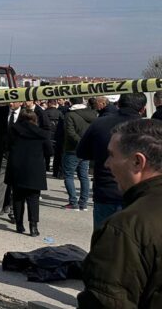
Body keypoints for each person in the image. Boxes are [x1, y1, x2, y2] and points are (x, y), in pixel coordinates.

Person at [77, 119, 162, 308]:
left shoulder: (125, 228)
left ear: (137, 162)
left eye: (111, 155)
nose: (106, 164)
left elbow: (106, 301)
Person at [77, 93, 146, 228]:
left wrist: (102, 154)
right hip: (138, 194)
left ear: (118, 105)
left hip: (106, 190)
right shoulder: (149, 129)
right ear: (143, 109)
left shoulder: (100, 123)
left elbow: (82, 152)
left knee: (104, 237)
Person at [7, 109, 52, 236]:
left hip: (17, 167)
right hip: (34, 168)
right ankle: (33, 227)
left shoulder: (13, 130)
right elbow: (49, 151)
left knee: (17, 197)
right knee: (33, 198)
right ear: (35, 119)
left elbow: (7, 146)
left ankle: (19, 225)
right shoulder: (41, 133)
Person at [62, 97, 95, 211]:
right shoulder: (92, 114)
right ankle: (83, 203)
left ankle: (73, 202)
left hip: (72, 149)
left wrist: (80, 142)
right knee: (84, 176)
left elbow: (70, 132)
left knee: (69, 175)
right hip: (86, 149)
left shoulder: (70, 115)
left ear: (71, 102)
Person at [42, 99, 62, 173]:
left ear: (49, 103)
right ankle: (55, 169)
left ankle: (46, 166)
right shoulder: (59, 112)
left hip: (47, 134)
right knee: (57, 153)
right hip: (57, 134)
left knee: (46, 151)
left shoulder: (44, 112)